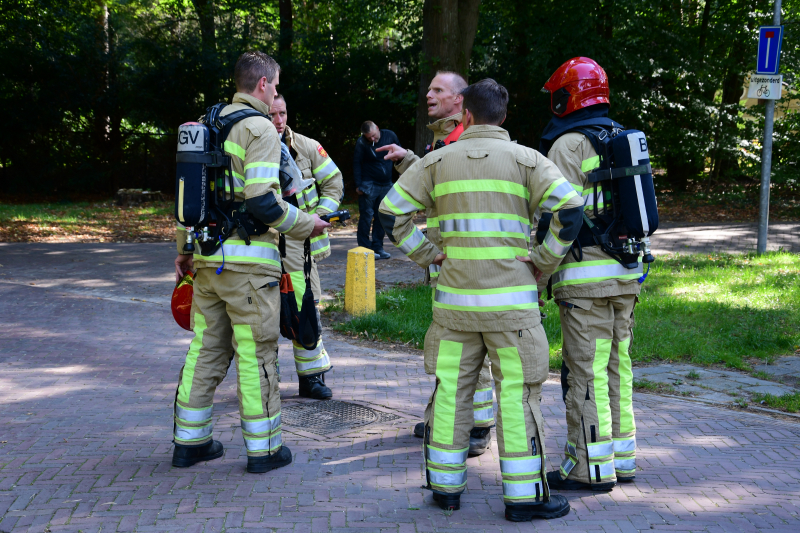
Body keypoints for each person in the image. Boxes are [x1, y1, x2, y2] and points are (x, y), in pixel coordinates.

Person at [378, 78, 584, 521]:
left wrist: (429, 255)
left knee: (451, 393)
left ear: (465, 114)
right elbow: (570, 210)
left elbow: (390, 213)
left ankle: (446, 490)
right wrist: (543, 261)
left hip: (453, 310)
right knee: (517, 396)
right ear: (503, 117)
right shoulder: (528, 160)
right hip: (511, 310)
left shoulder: (437, 161)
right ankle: (525, 498)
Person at [172, 51, 330, 474]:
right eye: (275, 86)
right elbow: (262, 200)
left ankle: (190, 442)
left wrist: (184, 252)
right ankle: (264, 450)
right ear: (262, 84)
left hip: (207, 263)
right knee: (256, 354)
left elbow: (188, 197)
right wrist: (306, 224)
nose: (276, 93)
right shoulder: (258, 128)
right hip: (249, 269)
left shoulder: (206, 124)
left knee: (205, 351)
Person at [377, 71, 495, 456]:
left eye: (438, 89)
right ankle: (443, 416)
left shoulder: (460, 142)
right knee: (452, 347)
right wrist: (410, 160)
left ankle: (477, 427)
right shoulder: (446, 139)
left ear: (461, 101)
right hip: (452, 264)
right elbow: (437, 188)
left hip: (463, 266)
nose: (428, 93)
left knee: (467, 350)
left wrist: (428, 254)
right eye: (429, 88)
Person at [538, 57, 641, 491]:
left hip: (585, 283)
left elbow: (562, 216)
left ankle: (588, 468)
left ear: (568, 95)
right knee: (619, 368)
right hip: (626, 275)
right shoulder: (620, 136)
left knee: (585, 373)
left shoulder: (568, 145)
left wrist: (540, 267)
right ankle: (623, 458)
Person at [270, 94, 343, 400]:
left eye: (283, 113)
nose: (278, 120)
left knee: (305, 311)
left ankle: (311, 379)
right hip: (266, 248)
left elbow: (334, 182)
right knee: (264, 317)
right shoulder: (252, 146)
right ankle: (264, 380)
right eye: (272, 114)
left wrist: (320, 216)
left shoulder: (308, 147)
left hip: (302, 250)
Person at [352, 121, 399, 259]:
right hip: (368, 184)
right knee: (366, 216)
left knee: (382, 216)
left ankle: (378, 247)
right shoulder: (362, 143)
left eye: (373, 136)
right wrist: (359, 184)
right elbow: (356, 163)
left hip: (386, 184)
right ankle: (364, 249)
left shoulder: (390, 136)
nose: (372, 139)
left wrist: (401, 174)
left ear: (377, 128)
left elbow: (400, 155)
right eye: (369, 138)